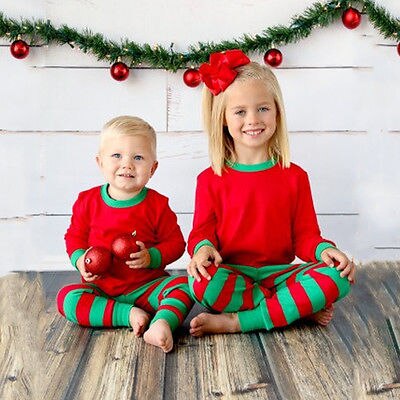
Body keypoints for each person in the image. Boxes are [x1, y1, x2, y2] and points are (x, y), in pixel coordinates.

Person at [186, 49, 355, 337]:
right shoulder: (209, 179)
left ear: (277, 111)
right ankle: (292, 308)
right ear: (223, 118)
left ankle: (238, 321)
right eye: (240, 112)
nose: (253, 119)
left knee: (338, 277)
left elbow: (305, 237)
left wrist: (324, 250)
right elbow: (202, 232)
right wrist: (202, 249)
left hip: (279, 275)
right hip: (233, 276)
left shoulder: (295, 176)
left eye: (263, 108)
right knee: (201, 283)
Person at [57, 115, 193, 352]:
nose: (127, 164)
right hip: (102, 291)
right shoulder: (87, 201)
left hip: (148, 287)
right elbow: (74, 237)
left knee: (186, 286)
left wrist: (151, 257)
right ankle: (127, 315)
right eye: (117, 156)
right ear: (100, 162)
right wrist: (80, 260)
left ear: (153, 168)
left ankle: (162, 323)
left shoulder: (157, 205)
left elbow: (176, 244)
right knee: (67, 299)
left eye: (138, 158)